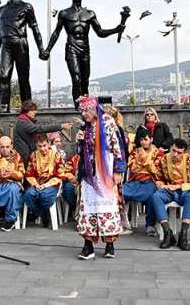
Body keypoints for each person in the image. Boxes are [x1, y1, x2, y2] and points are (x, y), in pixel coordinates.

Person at [41, 0, 129, 107]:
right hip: (72, 48)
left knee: (85, 80)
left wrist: (115, 30)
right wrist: (48, 50)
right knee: (76, 78)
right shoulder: (64, 13)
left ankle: (86, 106)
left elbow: (100, 32)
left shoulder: (89, 14)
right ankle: (78, 106)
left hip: (85, 49)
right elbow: (56, 33)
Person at [73, 95, 126, 260]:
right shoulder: (85, 127)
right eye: (82, 111)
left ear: (94, 109)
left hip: (106, 170)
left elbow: (118, 146)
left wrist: (118, 170)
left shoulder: (108, 122)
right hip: (88, 173)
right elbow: (80, 152)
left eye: (86, 111)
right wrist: (79, 142)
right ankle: (88, 245)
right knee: (88, 208)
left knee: (107, 206)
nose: (84, 114)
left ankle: (110, 244)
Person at [150, 138, 190, 251]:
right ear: (170, 148)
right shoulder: (164, 159)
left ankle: (183, 236)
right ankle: (167, 233)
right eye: (173, 151)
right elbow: (157, 177)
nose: (175, 154)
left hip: (187, 190)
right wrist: (161, 185)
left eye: (179, 153)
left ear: (184, 153)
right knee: (156, 196)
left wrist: (179, 186)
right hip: (170, 190)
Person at [123, 129, 162, 235]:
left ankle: (150, 225)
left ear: (151, 139)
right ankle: (123, 223)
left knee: (152, 196)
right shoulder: (134, 151)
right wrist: (146, 164)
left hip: (150, 182)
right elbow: (133, 168)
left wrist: (143, 159)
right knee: (119, 192)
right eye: (141, 140)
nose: (143, 142)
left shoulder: (158, 153)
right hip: (134, 181)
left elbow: (155, 171)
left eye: (145, 139)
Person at [23, 133, 64, 227]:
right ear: (36, 146)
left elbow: (60, 174)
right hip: (37, 183)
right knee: (28, 195)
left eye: (44, 145)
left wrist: (46, 185)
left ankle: (38, 213)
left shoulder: (56, 155)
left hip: (51, 184)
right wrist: (35, 184)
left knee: (44, 195)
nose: (42, 149)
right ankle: (42, 213)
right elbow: (29, 174)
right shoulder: (34, 155)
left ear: (49, 144)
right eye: (39, 146)